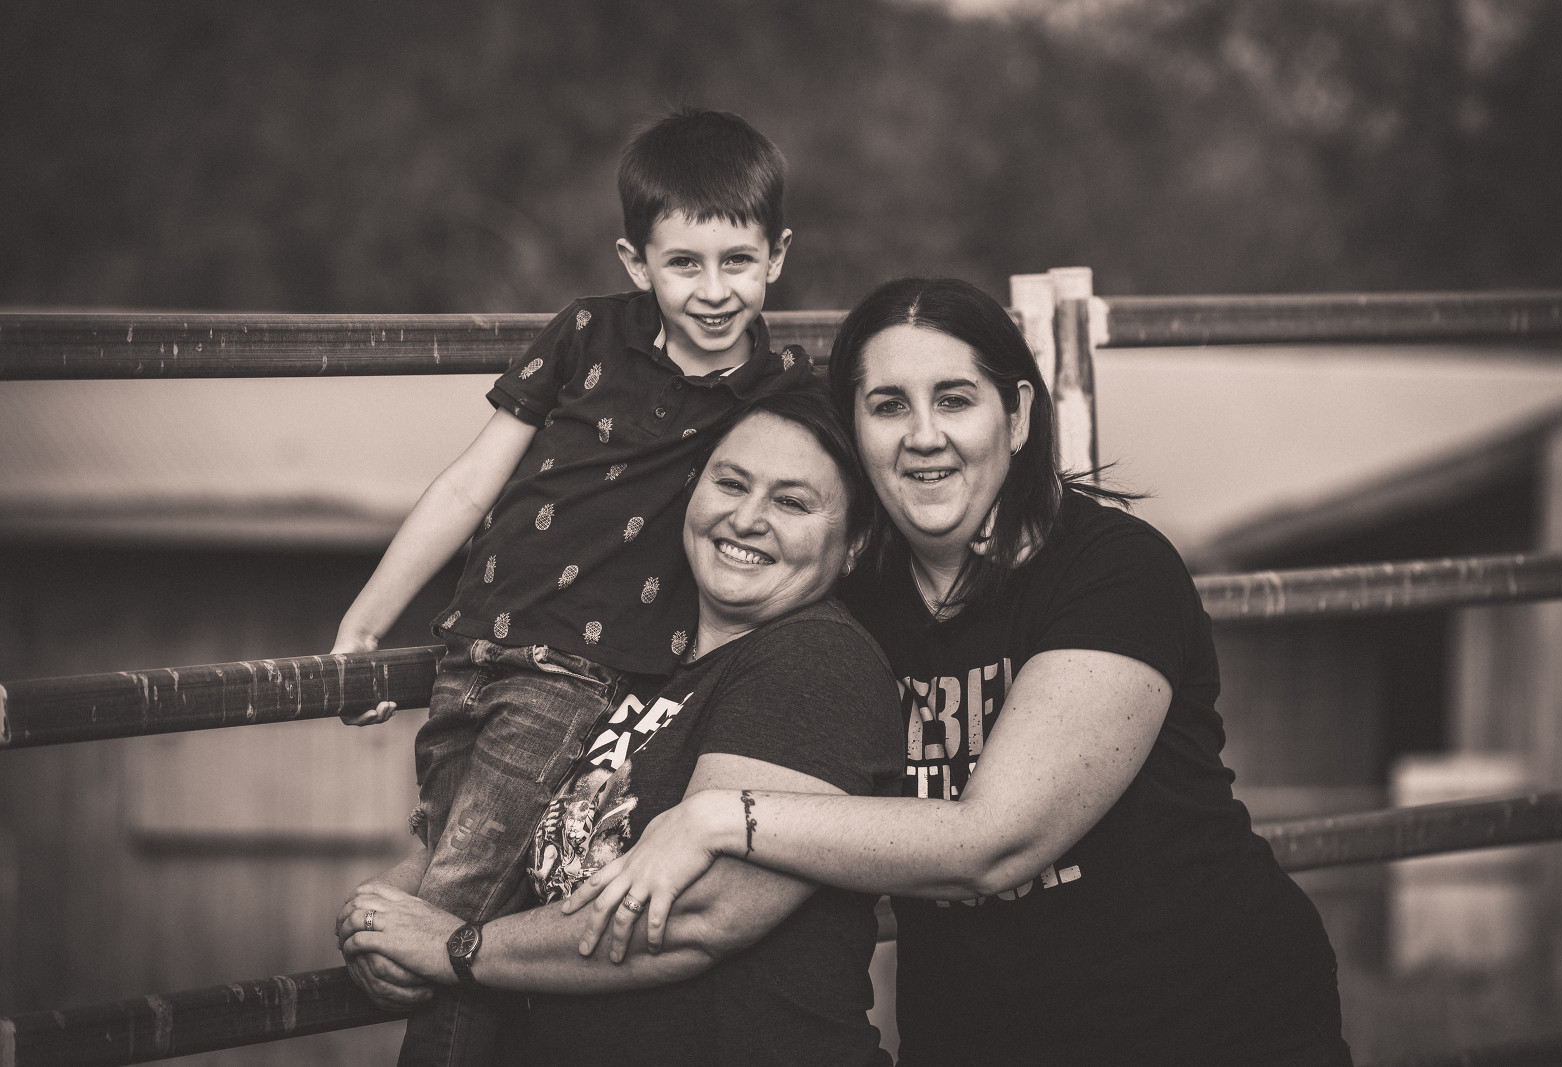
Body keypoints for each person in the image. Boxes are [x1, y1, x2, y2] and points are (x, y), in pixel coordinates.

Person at [564, 277, 1355, 1066]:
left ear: (1017, 415)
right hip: (979, 1035)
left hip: (1204, 1021)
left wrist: (719, 816)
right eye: (888, 406)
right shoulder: (850, 603)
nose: (923, 435)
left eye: (954, 400)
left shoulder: (1113, 570)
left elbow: (995, 842)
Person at [329, 107, 811, 1066]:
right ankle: (392, 936)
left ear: (778, 256)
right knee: (460, 872)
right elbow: (470, 484)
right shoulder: (586, 334)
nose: (715, 290)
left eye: (738, 261)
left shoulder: (777, 393)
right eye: (684, 264)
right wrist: (364, 624)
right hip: (470, 653)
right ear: (636, 262)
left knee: (451, 914)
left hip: (579, 678)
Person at [337, 388, 902, 1067]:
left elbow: (697, 914)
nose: (747, 518)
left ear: (853, 545)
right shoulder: (635, 660)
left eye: (792, 502)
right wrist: (389, 908)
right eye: (731, 483)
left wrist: (454, 946)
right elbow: (519, 825)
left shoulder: (815, 660)